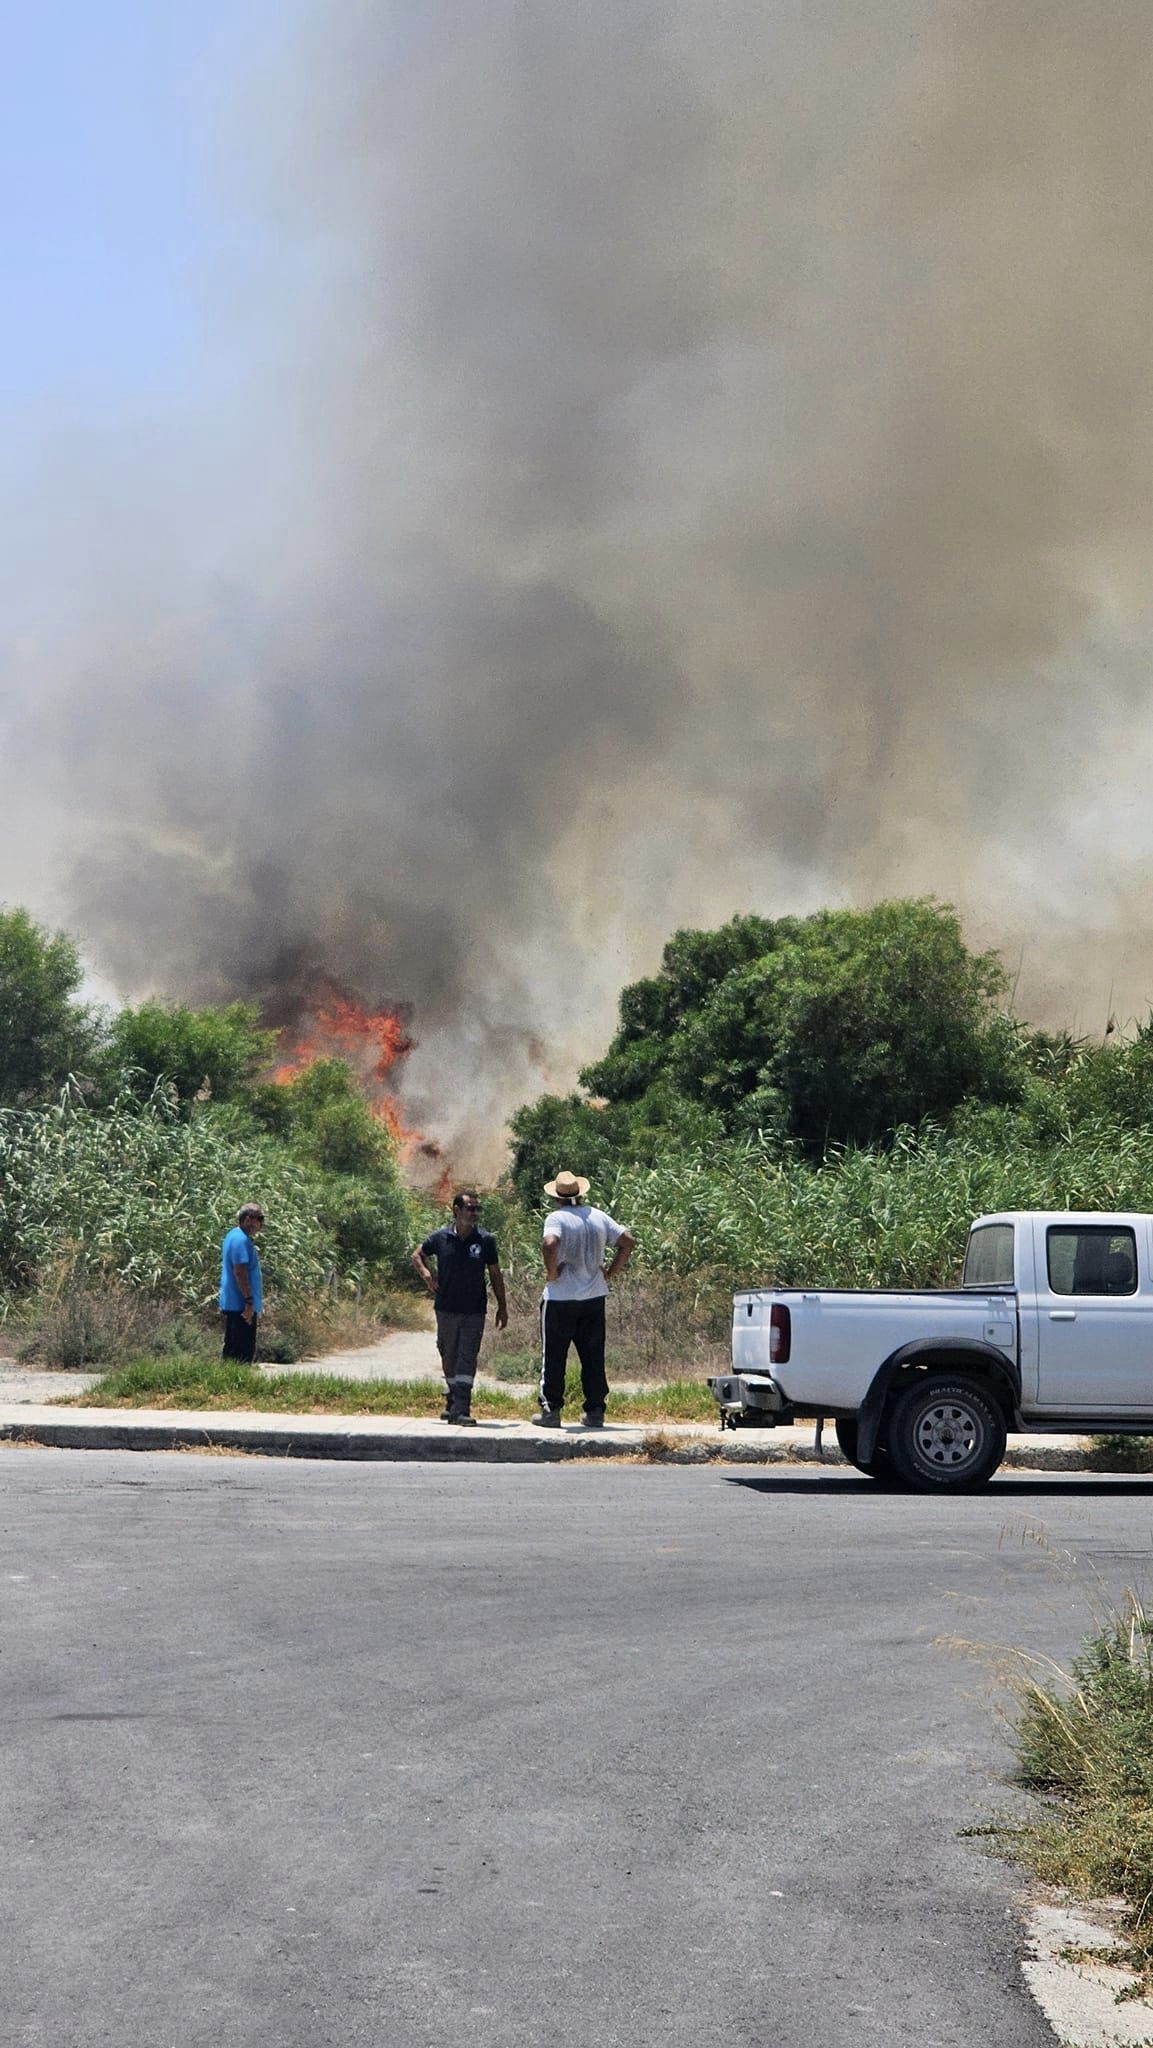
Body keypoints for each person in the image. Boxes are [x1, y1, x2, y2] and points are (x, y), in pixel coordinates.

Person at [534, 1170, 635, 1429]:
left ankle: (551, 1410)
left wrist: (551, 1271)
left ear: (557, 1196)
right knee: (592, 1356)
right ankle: (595, 1410)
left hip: (560, 1297)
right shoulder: (597, 1216)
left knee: (553, 1356)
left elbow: (549, 1243)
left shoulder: (557, 1217)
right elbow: (627, 1241)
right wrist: (610, 1272)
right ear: (580, 1193)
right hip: (593, 1296)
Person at [412, 1191, 508, 1425]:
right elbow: (417, 1255)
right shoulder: (440, 1238)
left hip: (474, 1309)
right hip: (445, 1307)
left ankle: (462, 1408)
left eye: (477, 1209)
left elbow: (495, 1274)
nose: (474, 1213)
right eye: (470, 1208)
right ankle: (453, 1398)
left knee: (467, 1356)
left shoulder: (485, 1240)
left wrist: (502, 1306)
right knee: (448, 1354)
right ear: (456, 1210)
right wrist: (426, 1275)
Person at [220, 1203, 264, 1363]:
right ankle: (238, 1383)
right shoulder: (241, 1240)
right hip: (241, 1305)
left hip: (236, 1304)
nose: (261, 1224)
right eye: (260, 1218)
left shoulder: (234, 1235)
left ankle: (228, 1383)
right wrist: (248, 1301)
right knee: (242, 1352)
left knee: (232, 1349)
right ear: (248, 1219)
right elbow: (240, 1271)